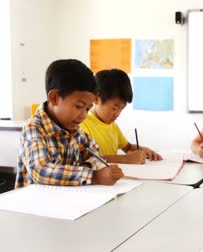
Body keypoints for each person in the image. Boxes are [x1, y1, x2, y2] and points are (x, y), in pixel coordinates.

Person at [16, 59, 123, 187]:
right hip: (32, 204)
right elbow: (41, 171)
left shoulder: (76, 131)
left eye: (87, 109)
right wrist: (93, 176)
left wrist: (84, 166)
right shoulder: (34, 128)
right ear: (54, 98)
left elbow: (96, 154)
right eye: (79, 106)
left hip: (66, 200)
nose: (83, 115)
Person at [81, 69, 162, 164]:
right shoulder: (83, 124)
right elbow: (87, 158)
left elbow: (128, 147)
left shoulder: (112, 126)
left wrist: (144, 150)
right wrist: (126, 159)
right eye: (114, 108)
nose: (118, 114)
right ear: (96, 99)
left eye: (122, 109)